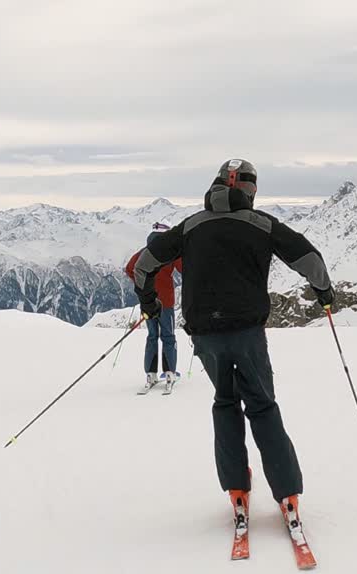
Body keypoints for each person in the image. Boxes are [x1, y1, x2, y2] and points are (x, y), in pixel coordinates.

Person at [132, 159, 335, 535]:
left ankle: (237, 488)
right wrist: (324, 293)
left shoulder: (190, 226)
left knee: (225, 403)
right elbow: (309, 259)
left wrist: (148, 303)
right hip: (247, 333)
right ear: (250, 190)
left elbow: (145, 265)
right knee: (262, 406)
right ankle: (286, 493)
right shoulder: (261, 224)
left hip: (205, 336)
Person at [124, 222, 182, 392]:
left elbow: (129, 269)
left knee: (152, 336)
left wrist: (142, 285)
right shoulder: (171, 251)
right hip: (167, 302)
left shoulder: (144, 252)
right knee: (168, 336)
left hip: (147, 302)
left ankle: (151, 373)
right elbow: (185, 268)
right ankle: (169, 372)